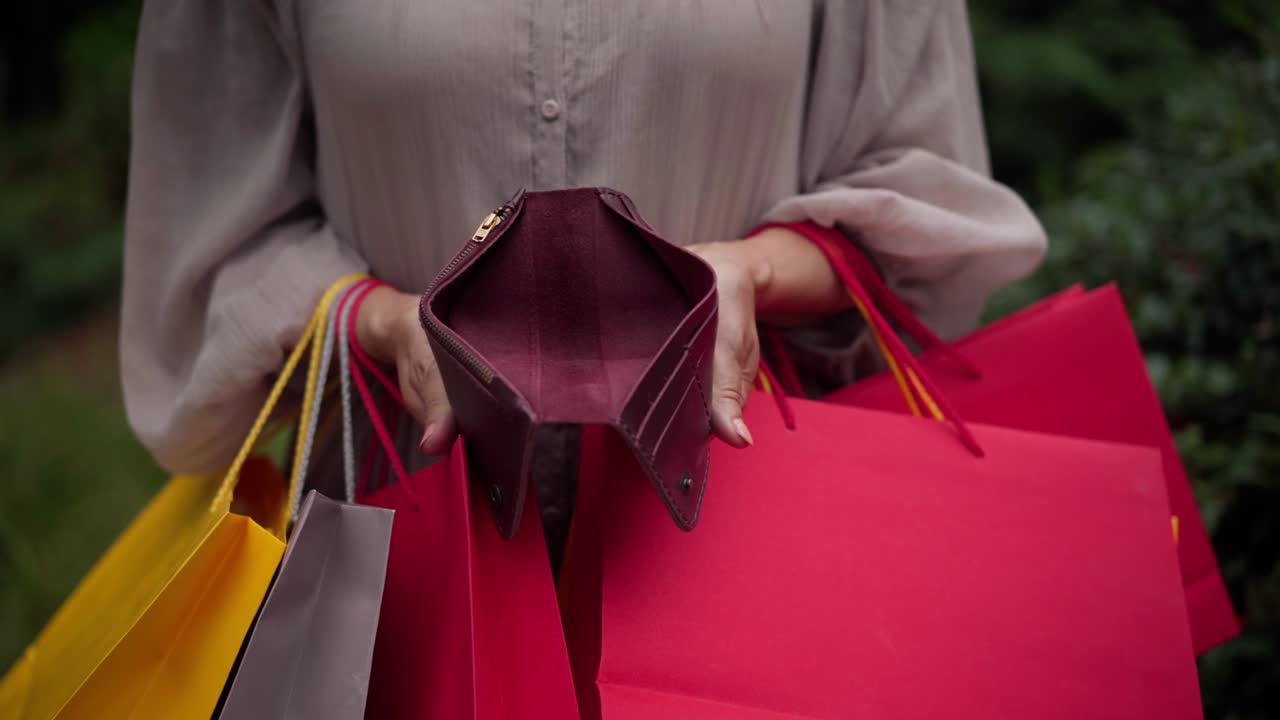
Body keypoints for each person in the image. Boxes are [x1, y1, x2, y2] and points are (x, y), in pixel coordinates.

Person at [121, 1, 1045, 558]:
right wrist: (385, 325)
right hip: (403, 539)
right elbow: (210, 243)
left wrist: (748, 273)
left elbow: (920, 179)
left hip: (761, 523)